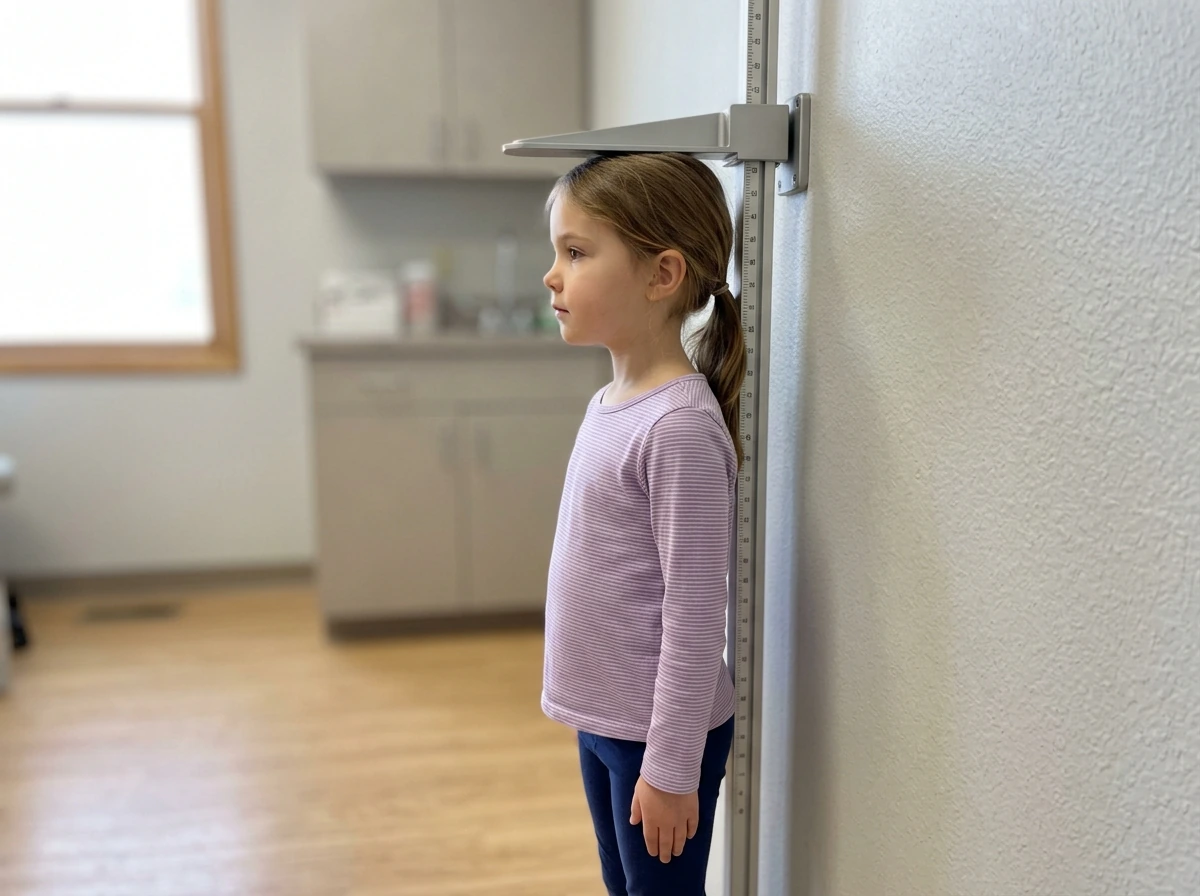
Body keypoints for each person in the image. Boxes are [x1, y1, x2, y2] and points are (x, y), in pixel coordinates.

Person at [541, 152, 745, 896]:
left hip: (656, 738)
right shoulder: (612, 403)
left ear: (661, 275)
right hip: (606, 717)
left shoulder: (679, 427)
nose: (552, 275)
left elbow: (695, 618)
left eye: (576, 252)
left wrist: (669, 767)